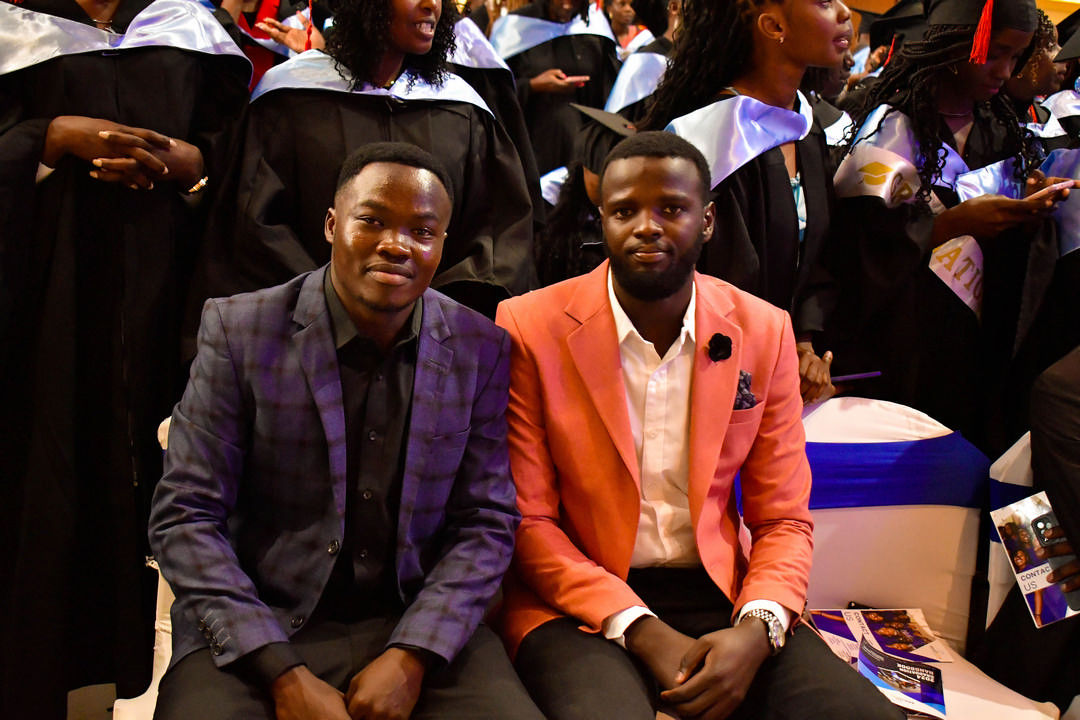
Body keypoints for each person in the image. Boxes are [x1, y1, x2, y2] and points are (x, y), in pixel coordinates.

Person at [495, 131, 902, 720]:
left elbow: (783, 518)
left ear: (707, 220)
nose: (647, 227)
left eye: (672, 209)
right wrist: (641, 629)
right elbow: (529, 522)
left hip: (717, 590)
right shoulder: (530, 326)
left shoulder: (763, 330)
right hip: (575, 598)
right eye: (624, 211)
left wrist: (758, 627)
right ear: (602, 220)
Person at [149, 142, 543, 720]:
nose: (397, 245)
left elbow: (485, 521)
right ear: (332, 225)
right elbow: (185, 514)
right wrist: (281, 674)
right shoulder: (239, 330)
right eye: (373, 221)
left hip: (414, 617)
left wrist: (412, 656)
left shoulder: (479, 347)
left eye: (422, 231)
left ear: (442, 244)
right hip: (259, 619)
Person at [0, 0, 250, 716]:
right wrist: (48, 140)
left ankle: (122, 685)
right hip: (40, 310)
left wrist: (195, 164)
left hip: (165, 302)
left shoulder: (186, 29)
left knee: (148, 480)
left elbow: (239, 150)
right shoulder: (14, 27)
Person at [825, 0, 1069, 452]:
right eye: (995, 53)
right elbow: (857, 253)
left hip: (978, 348)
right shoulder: (893, 130)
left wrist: (1030, 202)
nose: (1005, 71)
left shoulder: (999, 127)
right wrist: (949, 225)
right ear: (955, 44)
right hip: (906, 349)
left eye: (1016, 56)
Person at [202, 0, 536, 320]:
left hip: (435, 336)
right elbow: (253, 223)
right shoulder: (288, 99)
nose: (431, 5)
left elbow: (498, 230)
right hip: (304, 330)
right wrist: (331, 304)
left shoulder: (462, 109)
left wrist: (428, 316)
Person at [640, 0, 853, 404]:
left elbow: (817, 258)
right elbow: (715, 278)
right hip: (707, 375)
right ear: (774, 27)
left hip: (779, 372)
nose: (845, 13)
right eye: (825, 2)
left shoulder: (806, 128)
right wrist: (775, 349)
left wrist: (804, 342)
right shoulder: (715, 138)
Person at [489, 0, 621, 174]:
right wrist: (533, 85)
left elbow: (611, 89)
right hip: (534, 146)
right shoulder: (513, 28)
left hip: (586, 149)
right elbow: (493, 91)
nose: (567, 6)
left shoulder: (594, 26)